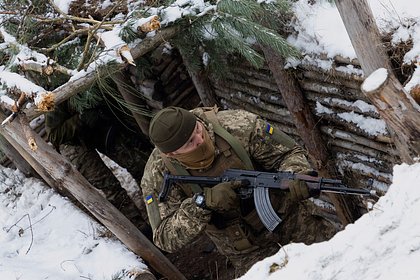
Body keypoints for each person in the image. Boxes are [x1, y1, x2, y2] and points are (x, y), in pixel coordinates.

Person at [140, 106, 337, 276]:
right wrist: (201, 204)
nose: (200, 139)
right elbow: (164, 238)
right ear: (171, 154)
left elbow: (288, 153)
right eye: (190, 142)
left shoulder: (236, 125)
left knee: (339, 261)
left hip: (292, 219)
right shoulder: (158, 174)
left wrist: (295, 175)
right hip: (245, 250)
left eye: (198, 129)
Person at [45, 100, 153, 239]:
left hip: (98, 128)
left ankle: (154, 209)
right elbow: (54, 135)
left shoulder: (87, 93)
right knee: (110, 186)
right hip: (74, 144)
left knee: (136, 164)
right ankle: (141, 231)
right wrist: (80, 119)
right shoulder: (55, 99)